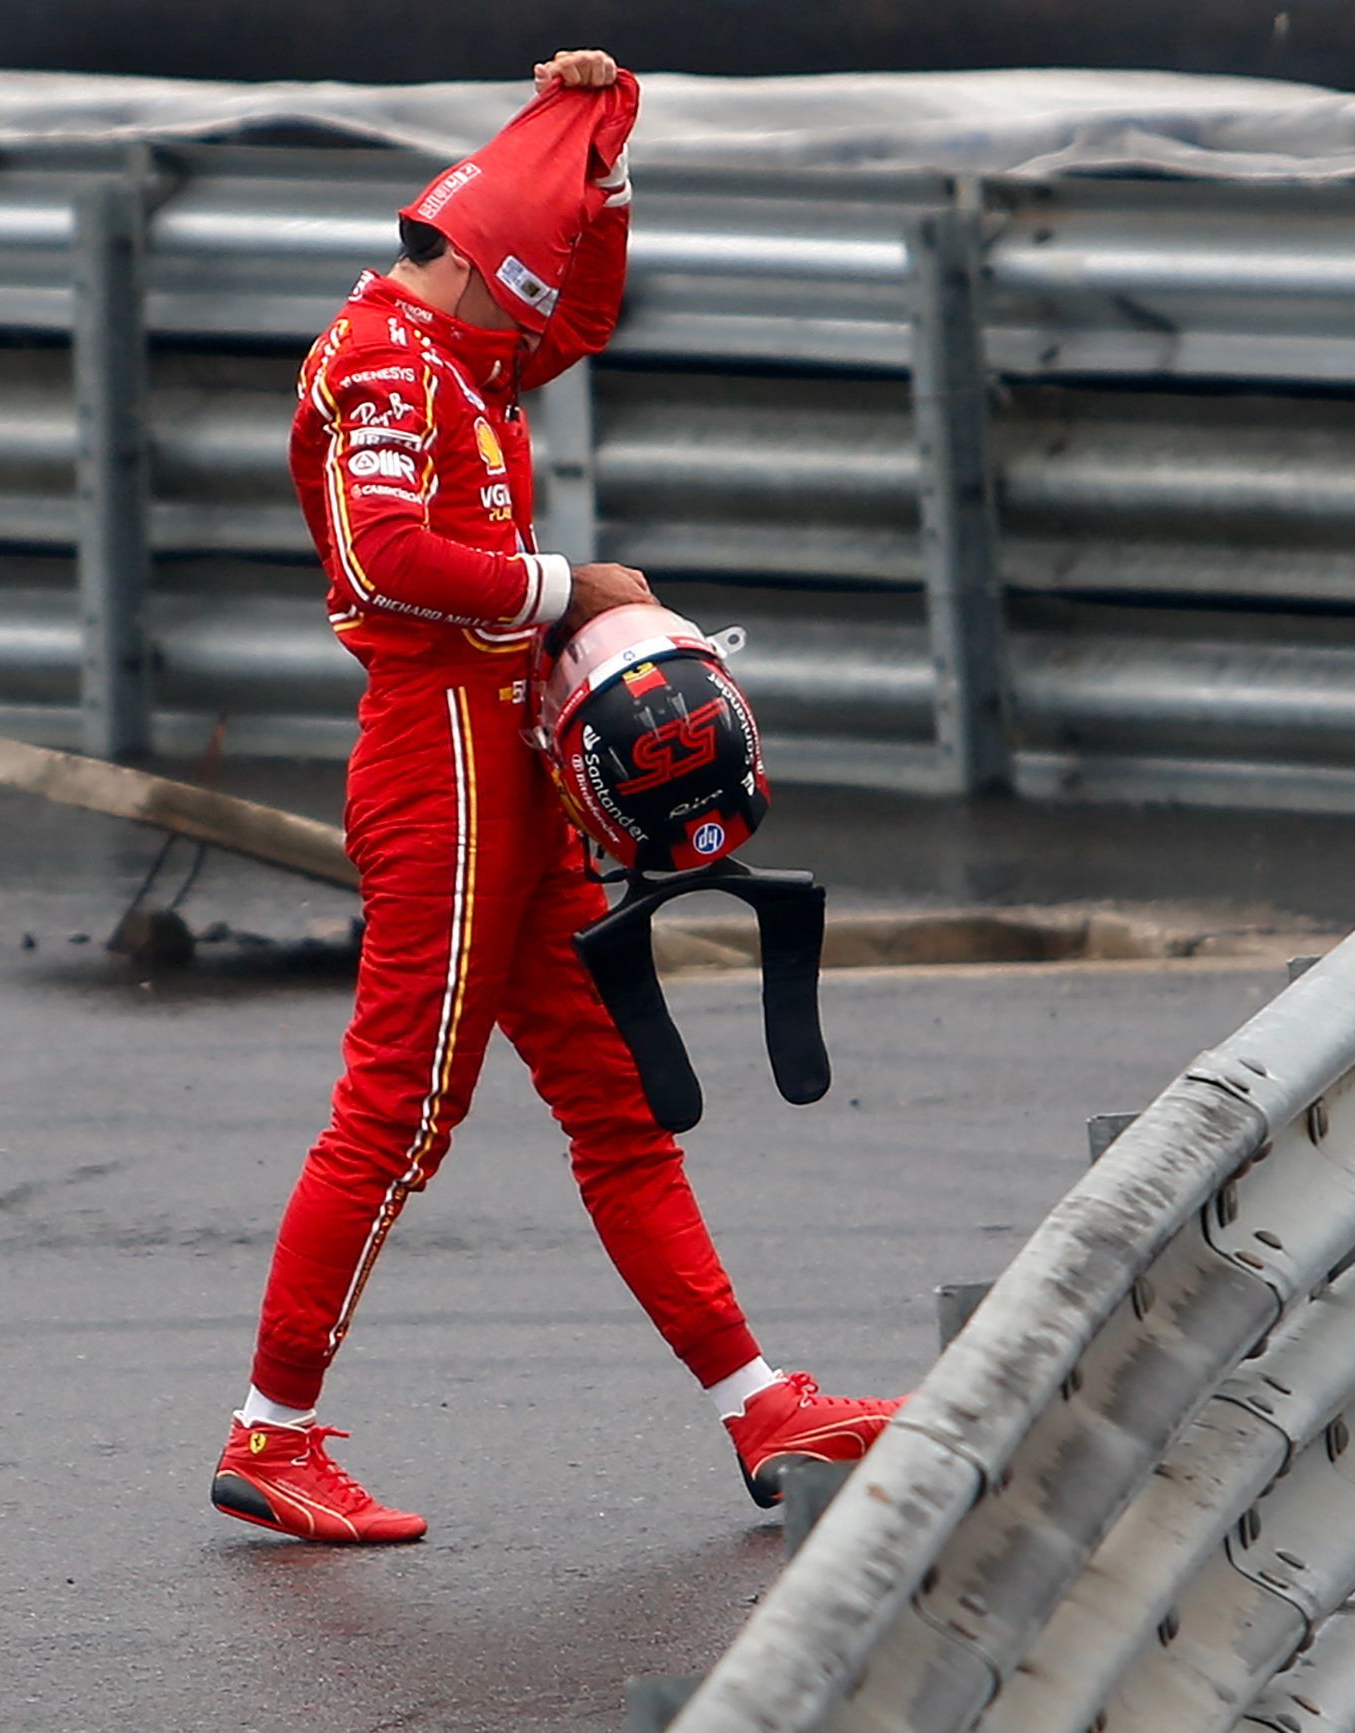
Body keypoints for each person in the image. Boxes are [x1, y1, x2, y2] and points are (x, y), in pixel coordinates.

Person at [210, 49, 901, 1544]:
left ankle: (759, 1403)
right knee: (397, 1107)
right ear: (477, 263)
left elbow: (583, 309)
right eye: (533, 275)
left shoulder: (458, 339)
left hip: (499, 751)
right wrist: (567, 585)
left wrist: (602, 162)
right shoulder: (384, 361)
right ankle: (272, 1432)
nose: (551, 319)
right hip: (440, 756)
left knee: (615, 1099)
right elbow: (389, 556)